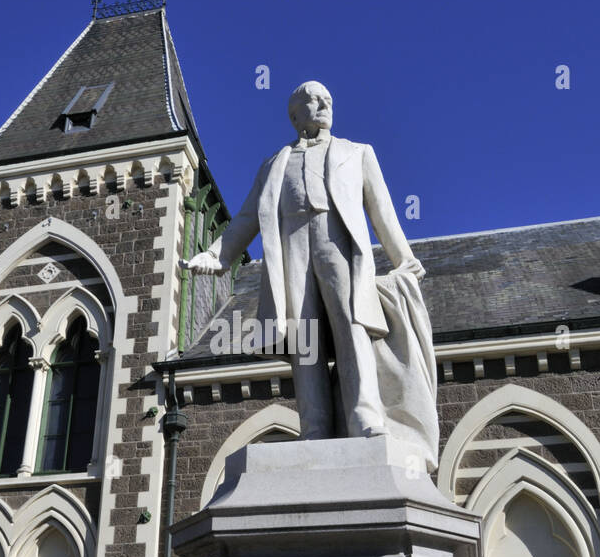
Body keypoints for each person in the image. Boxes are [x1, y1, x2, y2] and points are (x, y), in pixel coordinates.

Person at [183, 81, 434, 453]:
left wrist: (404, 259)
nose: (322, 105)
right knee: (305, 339)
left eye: (327, 100)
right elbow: (248, 217)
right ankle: (314, 425)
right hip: (292, 251)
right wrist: (218, 255)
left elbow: (382, 211)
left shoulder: (358, 153)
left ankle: (365, 417)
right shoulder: (273, 164)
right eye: (313, 101)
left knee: (353, 328)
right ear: (295, 115)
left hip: (339, 246)